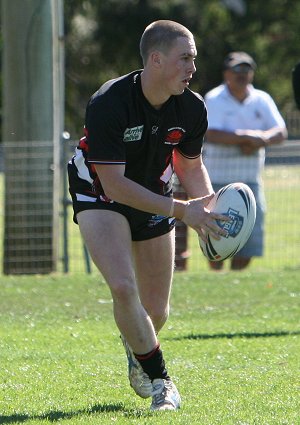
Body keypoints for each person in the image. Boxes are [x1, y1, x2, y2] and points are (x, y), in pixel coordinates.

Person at [68, 20, 228, 411]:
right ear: (156, 60)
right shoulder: (110, 101)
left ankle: (137, 343)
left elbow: (189, 166)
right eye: (185, 58)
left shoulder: (192, 107)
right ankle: (162, 382)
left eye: (194, 58)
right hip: (100, 193)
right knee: (123, 288)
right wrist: (181, 210)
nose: (193, 67)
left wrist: (206, 209)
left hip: (154, 195)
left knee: (156, 311)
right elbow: (116, 186)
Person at [203, 51, 287, 271]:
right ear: (226, 73)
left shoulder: (262, 99)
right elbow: (211, 133)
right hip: (218, 180)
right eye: (237, 69)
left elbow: (280, 132)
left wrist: (261, 140)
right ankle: (217, 279)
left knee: (250, 239)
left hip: (251, 180)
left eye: (247, 69)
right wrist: (248, 137)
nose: (242, 74)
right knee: (216, 238)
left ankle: (235, 280)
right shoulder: (214, 98)